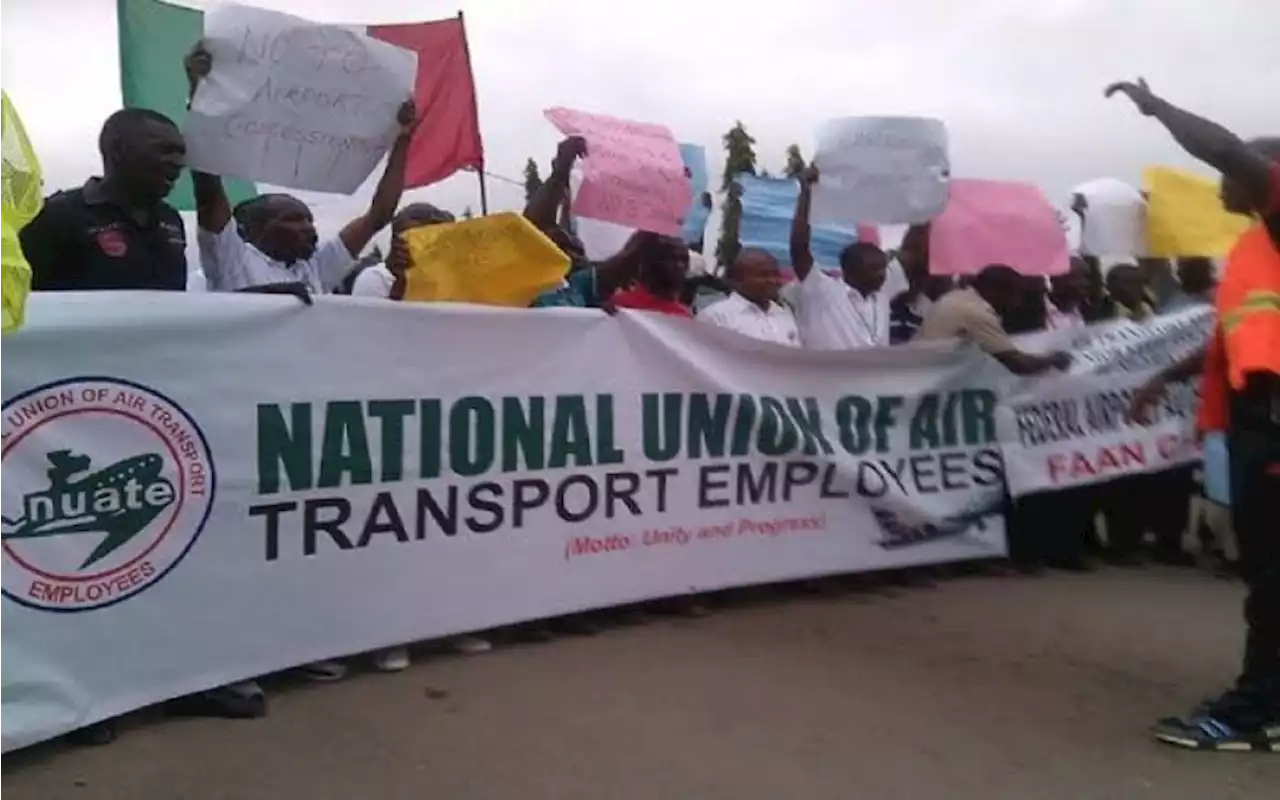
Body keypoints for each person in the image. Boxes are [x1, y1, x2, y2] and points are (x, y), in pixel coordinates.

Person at [1109, 75, 1280, 750]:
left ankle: (1255, 712)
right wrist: (1162, 376)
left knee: (1271, 578)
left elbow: (1230, 153)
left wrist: (1157, 110)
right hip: (1252, 422)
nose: (1219, 185)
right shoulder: (1254, 251)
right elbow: (1234, 338)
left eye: (1236, 175)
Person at [185, 43, 415, 296]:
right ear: (249, 230)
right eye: (293, 219)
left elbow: (378, 216)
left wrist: (403, 140)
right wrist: (200, 96)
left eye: (309, 220)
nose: (308, 228)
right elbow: (207, 188)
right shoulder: (231, 261)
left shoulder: (315, 269)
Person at [20, 109, 188, 291]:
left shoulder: (170, 219)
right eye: (165, 150)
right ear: (119, 150)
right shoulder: (55, 216)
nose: (178, 162)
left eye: (180, 154)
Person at [789, 166, 909, 349]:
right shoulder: (822, 290)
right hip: (828, 377)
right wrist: (806, 193)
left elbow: (912, 249)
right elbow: (799, 247)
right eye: (873, 269)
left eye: (882, 268)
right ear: (850, 270)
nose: (880, 274)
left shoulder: (883, 292)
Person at [916, 265, 1071, 375]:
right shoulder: (978, 312)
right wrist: (1053, 359)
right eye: (1014, 294)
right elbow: (1019, 365)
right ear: (996, 290)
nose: (1017, 303)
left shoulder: (955, 298)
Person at [350, 204, 455, 301]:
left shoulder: (446, 280)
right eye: (412, 238)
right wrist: (400, 287)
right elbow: (373, 320)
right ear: (395, 243)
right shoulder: (375, 279)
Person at [698, 248, 800, 346]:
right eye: (763, 275)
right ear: (737, 278)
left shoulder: (784, 315)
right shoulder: (716, 317)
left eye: (775, 274)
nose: (772, 280)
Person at [1045, 257, 1091, 330]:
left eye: (1087, 277)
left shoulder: (1090, 312)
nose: (1086, 283)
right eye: (1078, 277)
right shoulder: (1037, 314)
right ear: (1058, 280)